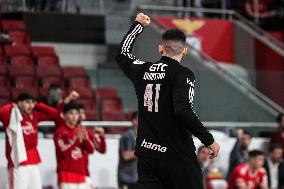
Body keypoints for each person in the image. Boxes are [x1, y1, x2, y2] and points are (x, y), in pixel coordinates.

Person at [115, 12, 220, 189]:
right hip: (177, 157)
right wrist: (208, 139)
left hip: (148, 156)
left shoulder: (142, 70)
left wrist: (138, 25)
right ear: (185, 51)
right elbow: (182, 110)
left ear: (160, 48)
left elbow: (122, 53)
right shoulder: (183, 74)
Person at [0, 92, 58, 189]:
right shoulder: (11, 116)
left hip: (33, 161)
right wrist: (11, 105)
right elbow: (1, 113)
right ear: (19, 103)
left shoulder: (34, 115)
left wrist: (38, 105)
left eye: (32, 103)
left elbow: (55, 114)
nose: (31, 105)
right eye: (27, 102)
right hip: (17, 163)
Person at [54, 102, 95, 189]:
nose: (74, 116)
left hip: (80, 173)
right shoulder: (60, 132)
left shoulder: (80, 130)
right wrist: (76, 140)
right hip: (66, 174)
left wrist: (86, 139)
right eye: (71, 113)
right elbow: (63, 152)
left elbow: (91, 150)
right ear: (64, 116)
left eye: (76, 113)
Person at [77, 103, 106, 189]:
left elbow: (101, 149)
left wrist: (102, 136)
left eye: (83, 112)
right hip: (70, 174)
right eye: (81, 112)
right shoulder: (66, 132)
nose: (83, 115)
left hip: (84, 173)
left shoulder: (87, 132)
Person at [117, 111, 139, 189]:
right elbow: (126, 155)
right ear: (134, 121)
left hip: (135, 178)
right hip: (127, 178)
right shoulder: (127, 136)